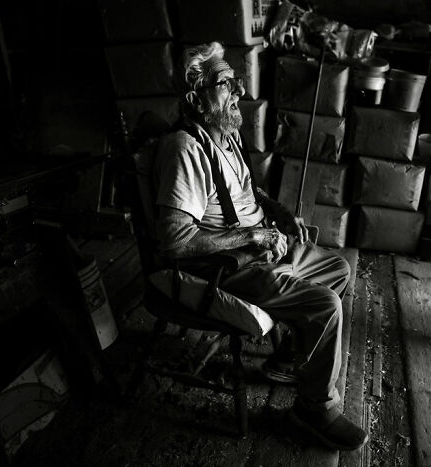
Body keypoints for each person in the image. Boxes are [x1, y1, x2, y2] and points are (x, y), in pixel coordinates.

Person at [153, 41, 367, 451]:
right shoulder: (186, 150)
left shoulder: (227, 136)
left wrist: (279, 213)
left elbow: (249, 193)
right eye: (225, 84)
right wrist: (253, 237)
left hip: (261, 249)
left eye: (236, 82)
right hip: (228, 267)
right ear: (197, 98)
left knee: (338, 268)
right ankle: (314, 409)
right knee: (325, 306)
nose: (239, 93)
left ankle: (290, 356)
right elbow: (174, 240)